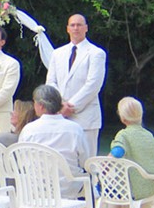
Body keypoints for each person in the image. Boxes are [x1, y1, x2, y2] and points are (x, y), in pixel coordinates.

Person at [46, 14, 107, 156]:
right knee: (63, 157)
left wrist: (71, 106)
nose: (76, 28)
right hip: (60, 114)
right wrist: (60, 105)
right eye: (72, 25)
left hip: (85, 116)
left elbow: (93, 85)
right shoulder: (57, 53)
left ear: (86, 28)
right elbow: (51, 82)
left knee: (86, 160)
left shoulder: (96, 53)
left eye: (79, 25)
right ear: (67, 29)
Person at [19, 85, 90, 198]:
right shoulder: (75, 129)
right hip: (70, 188)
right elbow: (85, 161)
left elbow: (22, 160)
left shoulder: (29, 130)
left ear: (41, 106)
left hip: (38, 188)